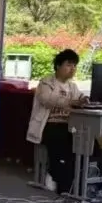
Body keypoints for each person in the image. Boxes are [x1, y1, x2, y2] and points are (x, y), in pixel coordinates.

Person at [26, 48, 88, 195]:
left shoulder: (72, 86)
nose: (72, 69)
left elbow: (80, 98)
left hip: (68, 126)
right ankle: (63, 186)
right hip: (48, 125)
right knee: (62, 144)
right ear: (58, 66)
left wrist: (84, 100)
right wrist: (71, 102)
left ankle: (80, 184)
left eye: (74, 66)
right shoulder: (46, 83)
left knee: (87, 142)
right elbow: (47, 100)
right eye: (68, 65)